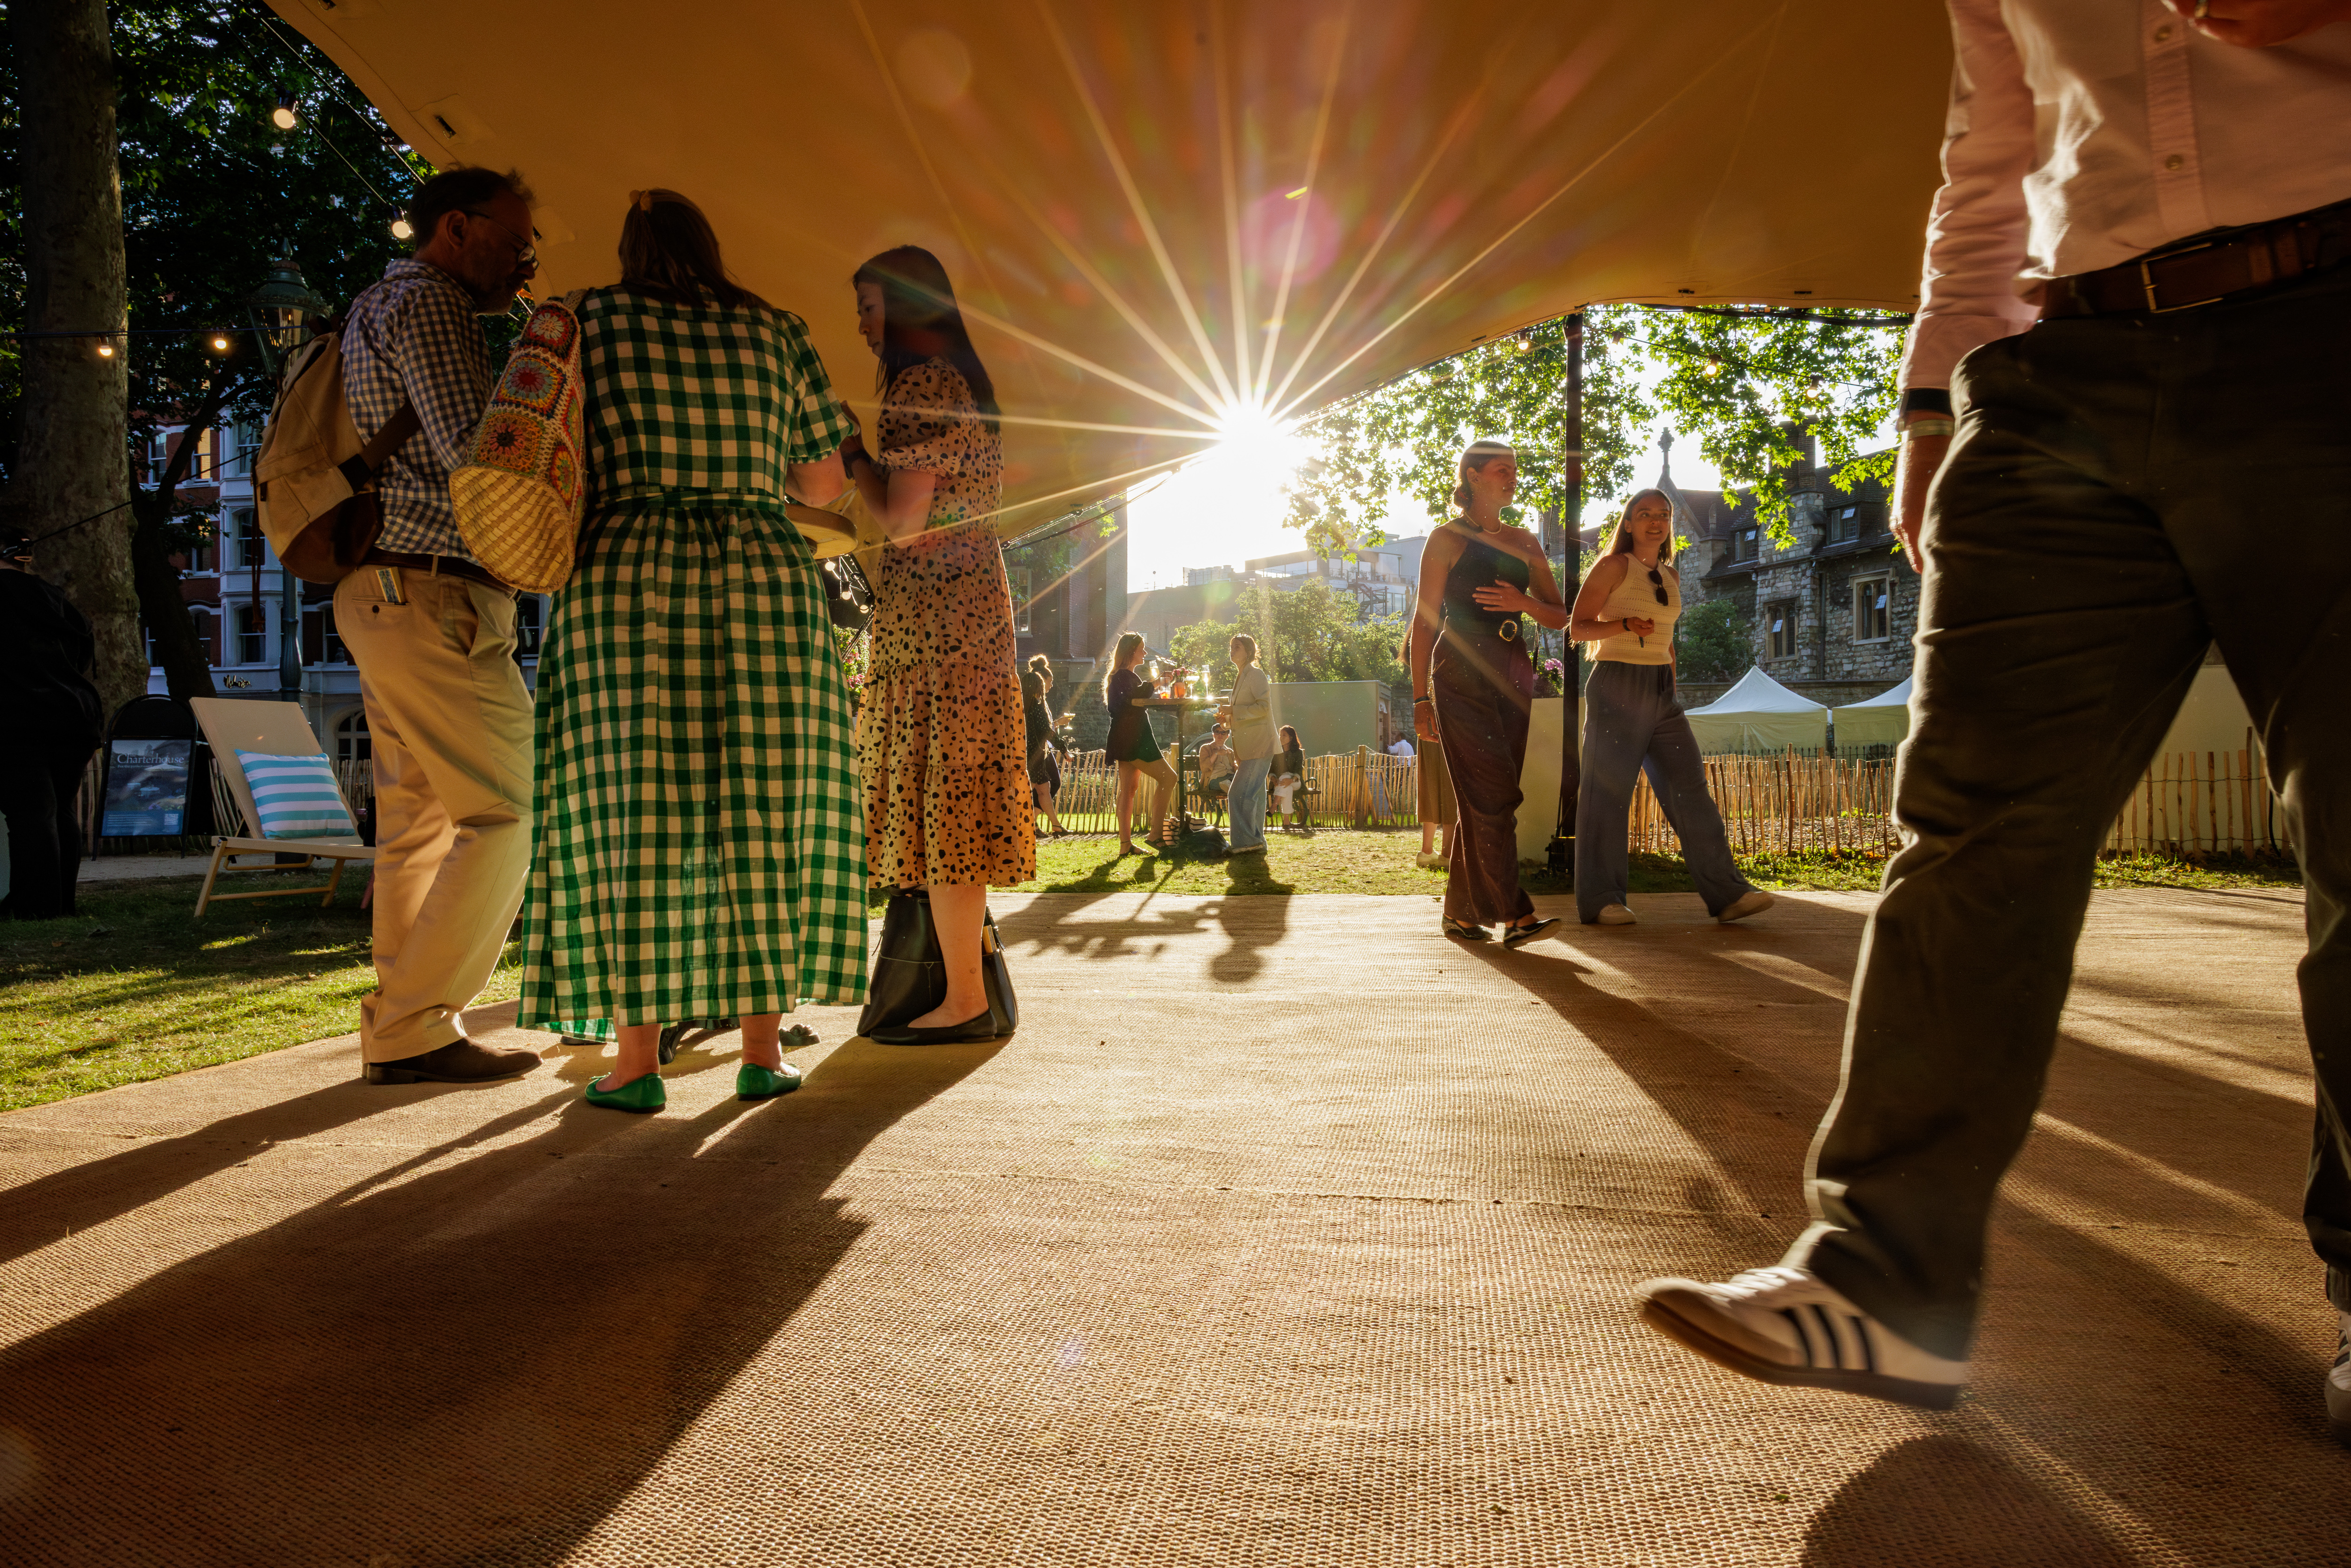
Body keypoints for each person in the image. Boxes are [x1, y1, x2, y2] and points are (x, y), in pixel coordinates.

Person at [1634, 0, 2351, 1437]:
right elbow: (1992, 150)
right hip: (2059, 366)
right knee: (1967, 823)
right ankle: (1884, 1273)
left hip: (2328, 323)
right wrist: (1927, 400)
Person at [519, 188, 866, 1112]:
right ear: (710, 248)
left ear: (630, 250)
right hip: (762, 576)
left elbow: (536, 451)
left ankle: (637, 1065)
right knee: (766, 803)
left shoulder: (584, 319)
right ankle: (761, 1051)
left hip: (628, 575)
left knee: (632, 806)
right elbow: (822, 480)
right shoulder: (777, 332)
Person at [338, 166, 542, 1086]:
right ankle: (416, 1022)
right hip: (431, 590)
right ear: (457, 227)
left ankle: (404, 1032)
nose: (524, 257)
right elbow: (478, 451)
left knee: (417, 826)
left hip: (386, 589)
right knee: (513, 807)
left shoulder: (378, 302)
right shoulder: (431, 304)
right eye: (514, 237)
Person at [840, 244, 1034, 1045]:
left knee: (944, 801)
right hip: (970, 607)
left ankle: (963, 999)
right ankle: (967, 982)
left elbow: (903, 523)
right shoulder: (961, 383)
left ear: (904, 305)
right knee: (953, 797)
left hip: (935, 621)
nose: (863, 326)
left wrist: (854, 454)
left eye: (869, 307)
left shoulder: (921, 385)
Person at [1562, 490, 1770, 929]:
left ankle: (1729, 894)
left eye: (1664, 514)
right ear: (1629, 524)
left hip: (1661, 690)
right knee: (1608, 795)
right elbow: (1577, 628)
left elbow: (1666, 637)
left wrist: (1670, 679)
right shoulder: (1613, 566)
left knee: (1690, 788)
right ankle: (1602, 900)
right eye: (1645, 515)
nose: (1656, 522)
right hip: (1618, 683)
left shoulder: (1670, 574)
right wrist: (1623, 624)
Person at [1408, 440, 1563, 946]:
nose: (1512, 478)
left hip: (1514, 670)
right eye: (1502, 470)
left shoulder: (1525, 542)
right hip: (1460, 670)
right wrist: (1420, 699)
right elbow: (1424, 622)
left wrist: (1522, 601)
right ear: (1473, 477)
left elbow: (1559, 615)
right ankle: (1515, 914)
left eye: (1514, 470)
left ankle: (1460, 912)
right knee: (1494, 794)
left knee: (1486, 799)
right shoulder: (1446, 538)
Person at [0, 528, 103, 921]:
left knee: (31, 814)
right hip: (75, 715)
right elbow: (82, 655)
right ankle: (60, 903)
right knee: (59, 811)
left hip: (19, 716)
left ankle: (36, 907)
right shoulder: (54, 598)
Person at [1103, 631, 1176, 855]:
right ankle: (1155, 834)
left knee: (1129, 789)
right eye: (1142, 648)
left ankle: (1126, 845)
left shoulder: (1124, 676)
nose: (1145, 652)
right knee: (1169, 778)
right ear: (1131, 651)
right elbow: (1132, 699)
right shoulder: (1122, 676)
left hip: (1127, 737)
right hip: (1134, 738)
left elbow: (1134, 699)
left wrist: (1156, 686)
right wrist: (1158, 682)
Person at [1221, 633, 1274, 857]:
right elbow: (1243, 713)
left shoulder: (1256, 674)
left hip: (1260, 743)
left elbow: (1264, 708)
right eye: (1231, 646)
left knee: (1238, 794)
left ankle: (1245, 842)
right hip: (1248, 746)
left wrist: (1234, 711)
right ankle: (1256, 841)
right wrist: (1227, 719)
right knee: (1256, 796)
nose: (1232, 650)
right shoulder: (1241, 676)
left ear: (1249, 652)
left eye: (1237, 647)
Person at [1023, 654, 1068, 837]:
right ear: (1040, 683)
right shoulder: (1037, 705)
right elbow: (1045, 730)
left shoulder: (1026, 704)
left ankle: (1050, 825)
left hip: (1033, 752)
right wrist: (1063, 748)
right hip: (1037, 753)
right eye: (1050, 682)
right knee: (1039, 789)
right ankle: (1030, 824)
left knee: (1043, 788)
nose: (1051, 686)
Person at [1270, 725, 1308, 831]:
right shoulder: (1277, 753)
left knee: (1287, 778)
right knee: (1287, 788)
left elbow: (1299, 770)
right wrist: (1273, 779)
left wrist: (1291, 780)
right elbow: (1271, 769)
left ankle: (1274, 805)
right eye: (1280, 735)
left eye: (1284, 735)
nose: (1281, 738)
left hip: (1296, 782)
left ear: (1291, 738)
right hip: (1281, 784)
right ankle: (1286, 822)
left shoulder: (1298, 753)